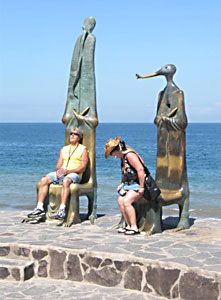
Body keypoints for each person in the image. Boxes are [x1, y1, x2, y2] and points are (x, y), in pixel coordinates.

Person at [28, 128, 89, 221]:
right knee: (44, 180)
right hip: (63, 172)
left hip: (74, 174)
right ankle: (39, 207)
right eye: (71, 133)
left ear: (79, 137)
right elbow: (58, 165)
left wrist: (68, 172)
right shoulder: (64, 149)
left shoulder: (83, 149)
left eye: (75, 134)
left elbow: (83, 167)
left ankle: (62, 209)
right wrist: (59, 171)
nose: (72, 135)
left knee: (66, 180)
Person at [104, 137, 145, 235]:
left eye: (111, 154)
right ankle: (128, 225)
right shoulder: (123, 158)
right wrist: (122, 184)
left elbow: (140, 169)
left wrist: (142, 187)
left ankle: (134, 226)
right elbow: (125, 173)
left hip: (138, 183)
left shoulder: (130, 155)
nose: (112, 156)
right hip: (129, 184)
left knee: (127, 201)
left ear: (116, 151)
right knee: (120, 200)